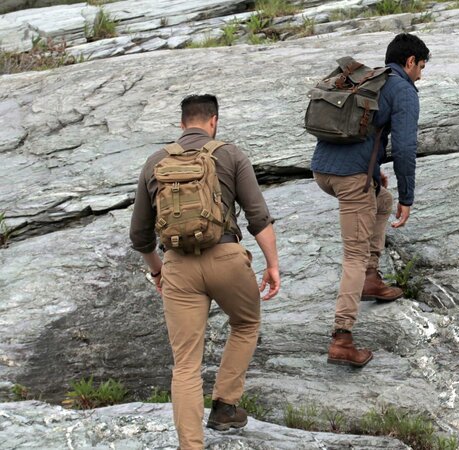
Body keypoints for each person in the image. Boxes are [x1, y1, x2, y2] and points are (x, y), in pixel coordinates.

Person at [129, 94, 280, 450]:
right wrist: (272, 264)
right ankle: (225, 405)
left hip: (178, 266)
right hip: (227, 258)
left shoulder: (155, 162)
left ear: (183, 123)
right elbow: (258, 217)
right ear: (213, 121)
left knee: (185, 365)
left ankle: (191, 445)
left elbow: (139, 235)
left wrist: (157, 273)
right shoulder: (230, 154)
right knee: (245, 323)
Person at [310, 33, 429, 367]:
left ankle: (371, 279)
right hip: (350, 179)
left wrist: (374, 172)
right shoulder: (403, 89)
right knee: (353, 255)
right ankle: (342, 338)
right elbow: (405, 149)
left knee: (382, 201)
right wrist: (409, 196)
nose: (421, 74)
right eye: (421, 67)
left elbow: (363, 130)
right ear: (410, 62)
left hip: (323, 170)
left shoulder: (372, 79)